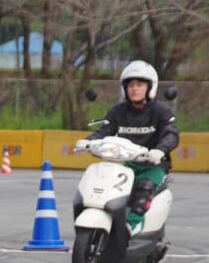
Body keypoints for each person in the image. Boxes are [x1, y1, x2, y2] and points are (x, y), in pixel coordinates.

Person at [76, 60, 179, 238]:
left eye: (140, 84)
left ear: (150, 87)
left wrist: (160, 150)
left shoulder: (161, 110)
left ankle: (134, 224)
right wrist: (88, 141)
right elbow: (105, 130)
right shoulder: (118, 111)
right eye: (130, 84)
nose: (134, 89)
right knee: (100, 179)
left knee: (145, 185)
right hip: (123, 162)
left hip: (152, 164)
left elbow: (171, 133)